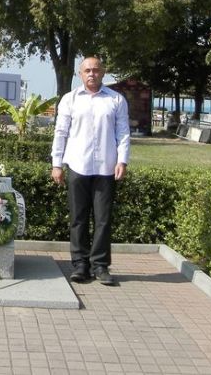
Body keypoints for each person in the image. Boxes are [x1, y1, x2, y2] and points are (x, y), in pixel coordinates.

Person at [50, 56, 130, 285]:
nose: (92, 74)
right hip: (78, 165)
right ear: (80, 74)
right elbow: (60, 132)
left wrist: (122, 161)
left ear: (103, 72)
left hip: (106, 166)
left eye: (96, 70)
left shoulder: (116, 99)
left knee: (103, 219)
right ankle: (80, 265)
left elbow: (123, 132)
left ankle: (100, 266)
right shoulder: (70, 99)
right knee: (78, 218)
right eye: (87, 70)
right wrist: (57, 164)